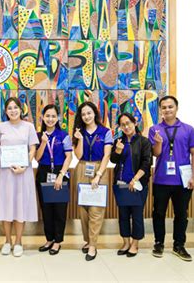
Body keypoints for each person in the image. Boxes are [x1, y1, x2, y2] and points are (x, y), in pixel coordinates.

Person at [149, 96, 194, 261]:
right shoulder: (155, 129)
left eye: (170, 107)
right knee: (158, 213)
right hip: (161, 180)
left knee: (181, 214)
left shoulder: (188, 129)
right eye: (164, 107)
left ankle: (179, 245)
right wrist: (157, 143)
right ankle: (159, 243)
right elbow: (156, 154)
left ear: (176, 108)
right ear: (160, 110)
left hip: (182, 181)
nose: (167, 110)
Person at [0, 97, 39, 257]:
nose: (13, 110)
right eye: (9, 108)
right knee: (6, 205)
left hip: (22, 173)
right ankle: (7, 241)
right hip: (4, 173)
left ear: (21, 109)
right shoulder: (0, 127)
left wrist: (24, 166)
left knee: (19, 205)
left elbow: (32, 150)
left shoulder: (29, 127)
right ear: (6, 111)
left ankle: (18, 241)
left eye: (15, 107)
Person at [72, 101, 113, 261]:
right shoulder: (78, 132)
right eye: (83, 114)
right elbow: (78, 156)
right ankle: (88, 240)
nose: (86, 116)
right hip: (82, 168)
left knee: (96, 209)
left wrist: (99, 174)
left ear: (95, 113)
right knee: (84, 208)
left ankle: (93, 245)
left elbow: (107, 155)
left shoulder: (105, 132)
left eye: (89, 113)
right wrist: (80, 139)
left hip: (99, 169)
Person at [110, 113, 152, 257]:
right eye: (123, 125)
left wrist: (135, 179)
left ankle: (135, 244)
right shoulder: (118, 141)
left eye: (128, 123)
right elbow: (113, 160)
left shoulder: (144, 142)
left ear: (135, 123)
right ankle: (126, 242)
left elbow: (147, 163)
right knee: (123, 215)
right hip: (121, 185)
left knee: (137, 215)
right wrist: (118, 150)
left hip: (138, 184)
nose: (126, 127)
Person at [35, 105, 73, 255]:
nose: (50, 119)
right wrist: (43, 143)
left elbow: (69, 156)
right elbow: (36, 158)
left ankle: (57, 241)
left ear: (58, 118)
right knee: (46, 209)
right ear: (42, 118)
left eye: (53, 116)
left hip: (59, 172)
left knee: (59, 210)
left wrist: (61, 175)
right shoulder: (38, 136)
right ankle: (49, 239)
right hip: (43, 172)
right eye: (47, 116)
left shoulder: (63, 135)